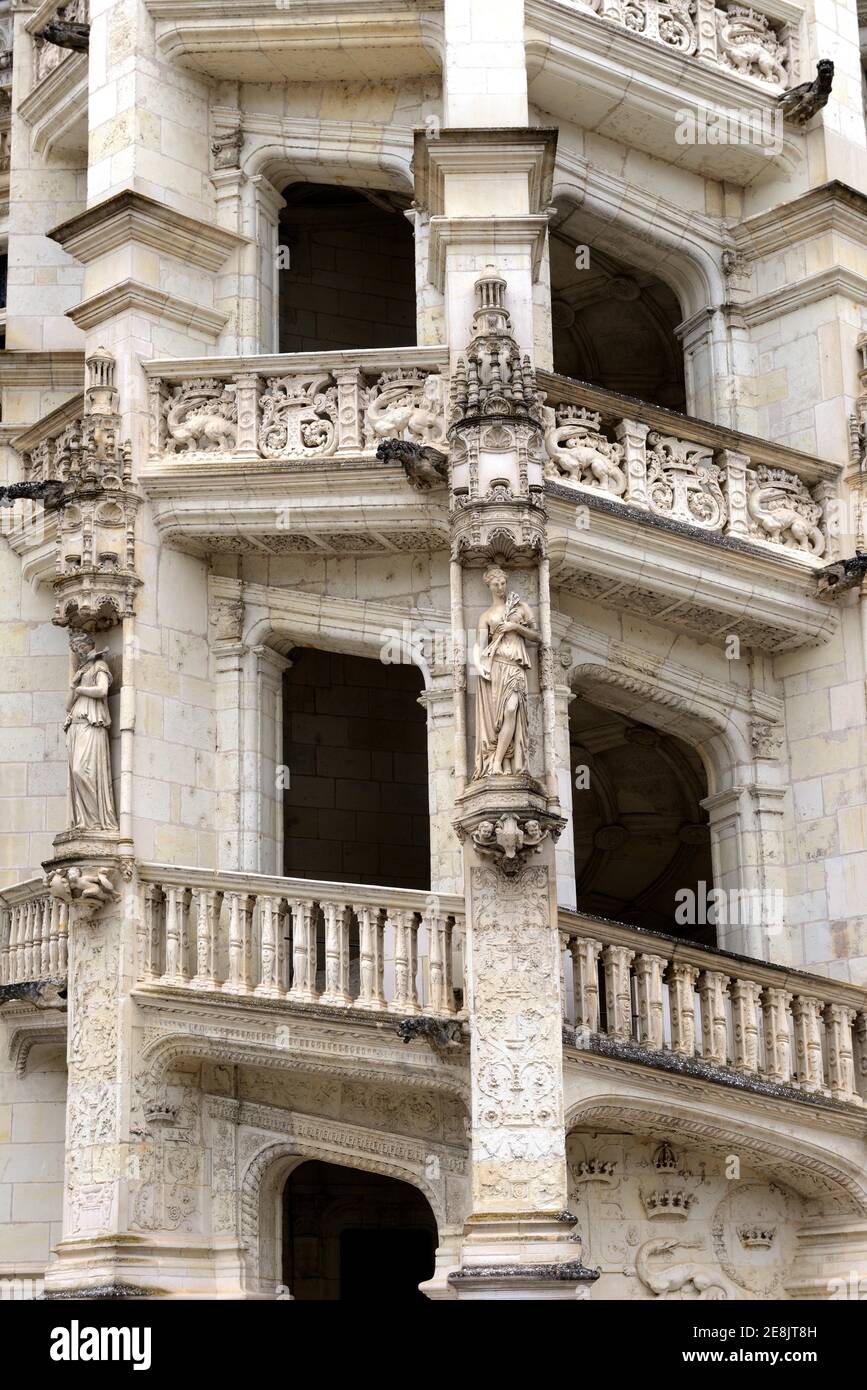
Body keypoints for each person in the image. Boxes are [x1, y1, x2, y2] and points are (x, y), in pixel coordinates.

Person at [473, 564, 539, 777]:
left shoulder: (521, 607)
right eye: (496, 584)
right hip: (496, 668)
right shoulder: (486, 616)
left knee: (511, 709)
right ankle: (499, 764)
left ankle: (499, 760)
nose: (500, 587)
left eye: (503, 583)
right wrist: (478, 665)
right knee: (499, 719)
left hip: (515, 667)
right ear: (489, 586)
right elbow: (480, 645)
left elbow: (537, 636)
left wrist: (515, 627)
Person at [65, 631, 118, 831]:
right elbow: (67, 706)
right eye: (76, 649)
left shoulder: (99, 665)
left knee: (81, 770)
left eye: (82, 647)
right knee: (75, 772)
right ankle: (83, 820)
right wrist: (74, 684)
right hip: (75, 725)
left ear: (90, 645)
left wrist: (80, 689)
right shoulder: (81, 671)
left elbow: (102, 690)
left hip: (92, 723)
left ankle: (95, 820)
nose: (80, 651)